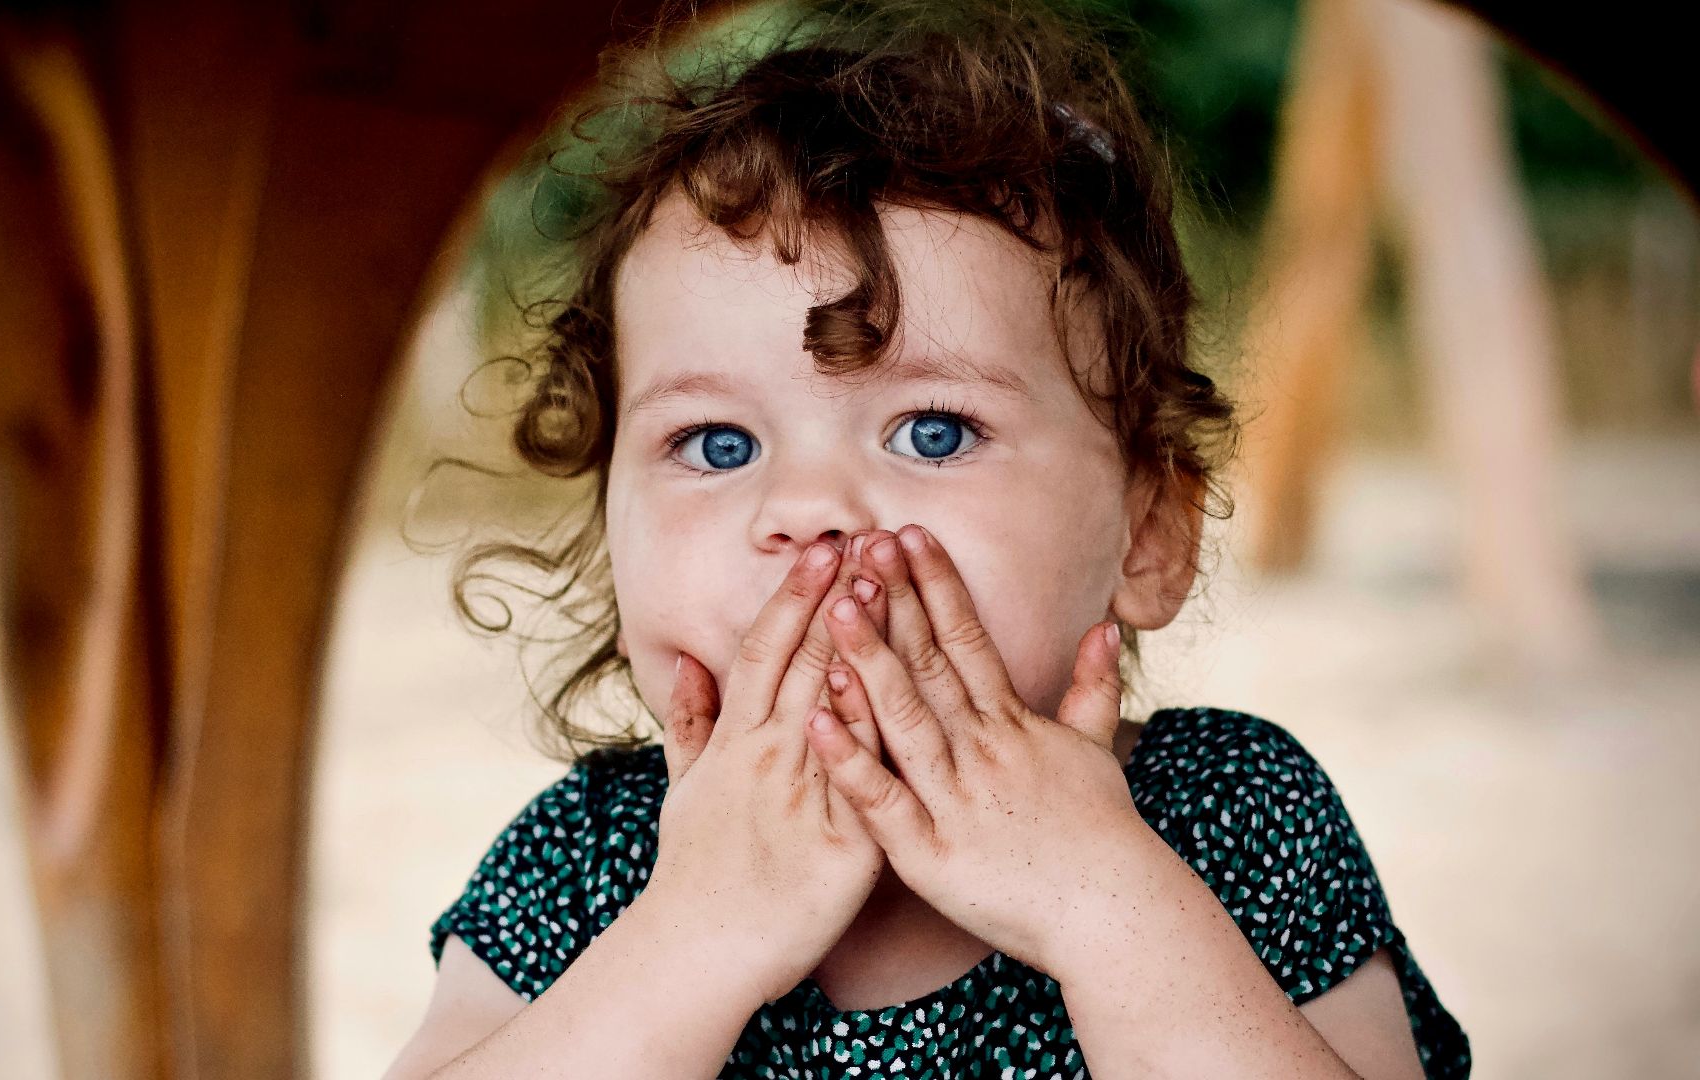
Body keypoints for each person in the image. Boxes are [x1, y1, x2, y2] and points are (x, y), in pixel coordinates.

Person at [385, 1, 1471, 1076]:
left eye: (933, 431)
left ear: (1147, 535)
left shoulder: (1231, 815)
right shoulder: (593, 860)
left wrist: (1104, 903)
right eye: (716, 444)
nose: (809, 510)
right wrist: (692, 937)